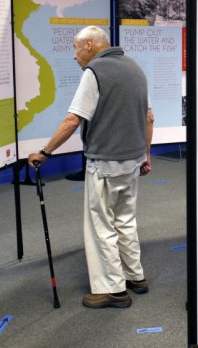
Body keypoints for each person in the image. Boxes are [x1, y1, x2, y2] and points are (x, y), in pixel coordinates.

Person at [28, 25, 154, 309]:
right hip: (132, 162)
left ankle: (113, 289)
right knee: (125, 221)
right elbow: (149, 117)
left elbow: (73, 120)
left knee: (101, 226)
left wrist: (45, 152)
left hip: (105, 164)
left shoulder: (94, 73)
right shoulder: (135, 69)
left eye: (75, 48)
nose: (74, 56)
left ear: (88, 46)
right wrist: (146, 156)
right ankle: (136, 277)